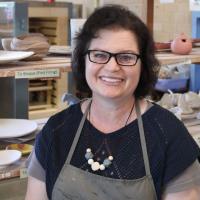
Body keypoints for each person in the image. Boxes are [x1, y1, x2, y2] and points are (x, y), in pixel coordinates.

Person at [25, 5, 200, 200]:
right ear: (83, 61)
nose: (112, 67)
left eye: (126, 57)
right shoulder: (56, 131)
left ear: (143, 66)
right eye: (99, 55)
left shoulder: (169, 135)